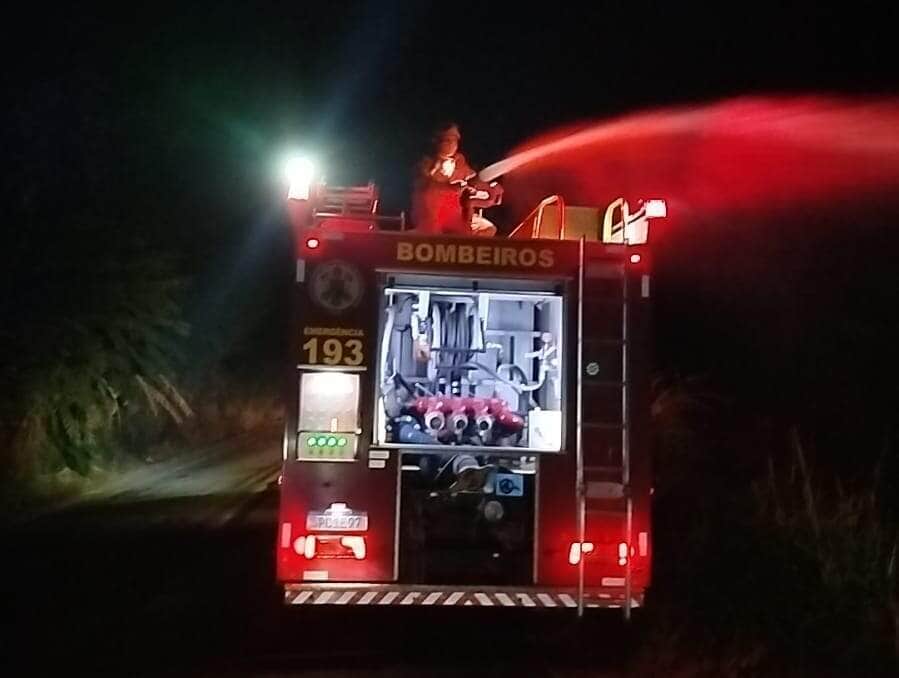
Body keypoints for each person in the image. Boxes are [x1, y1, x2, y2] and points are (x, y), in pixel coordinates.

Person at [411, 122, 479, 235]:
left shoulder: (459, 161)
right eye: (447, 140)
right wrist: (450, 187)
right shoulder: (426, 162)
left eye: (455, 140)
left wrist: (477, 185)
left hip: (454, 215)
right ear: (437, 141)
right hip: (430, 215)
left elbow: (472, 178)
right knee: (434, 235)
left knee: (481, 230)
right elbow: (423, 184)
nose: (452, 144)